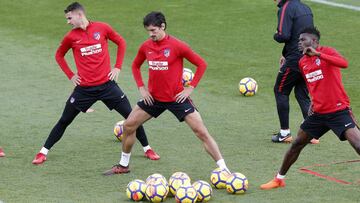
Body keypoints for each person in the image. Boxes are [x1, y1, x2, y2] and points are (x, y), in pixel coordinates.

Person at [32, 2, 159, 165]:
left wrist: (118, 67)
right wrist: (71, 75)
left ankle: (147, 149)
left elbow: (121, 42)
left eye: (69, 18)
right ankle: (43, 152)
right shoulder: (71, 37)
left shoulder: (102, 28)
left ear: (79, 15)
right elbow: (59, 55)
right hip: (84, 90)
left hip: (108, 86)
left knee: (132, 117)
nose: (68, 21)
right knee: (64, 120)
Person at [103, 11, 230, 175]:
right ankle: (123, 165)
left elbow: (201, 64)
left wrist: (190, 88)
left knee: (201, 132)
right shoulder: (146, 46)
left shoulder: (177, 46)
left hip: (176, 98)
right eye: (148, 31)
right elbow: (135, 66)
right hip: (154, 98)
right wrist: (142, 88)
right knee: (128, 126)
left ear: (162, 26)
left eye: (153, 30)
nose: (150, 34)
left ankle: (224, 169)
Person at [260, 27, 360, 190]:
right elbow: (311, 82)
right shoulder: (302, 62)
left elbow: (344, 63)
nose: (299, 43)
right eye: (298, 40)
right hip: (318, 114)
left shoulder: (327, 52)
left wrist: (318, 54)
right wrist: (313, 103)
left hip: (338, 111)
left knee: (357, 144)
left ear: (314, 41)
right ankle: (279, 179)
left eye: (303, 40)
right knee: (297, 144)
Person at [272, 0, 318, 144]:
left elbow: (283, 35)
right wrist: (285, 54)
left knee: (280, 91)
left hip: (294, 60)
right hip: (307, 58)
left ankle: (284, 133)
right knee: (301, 94)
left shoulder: (286, 8)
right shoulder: (306, 8)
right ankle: (313, 134)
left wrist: (276, 35)